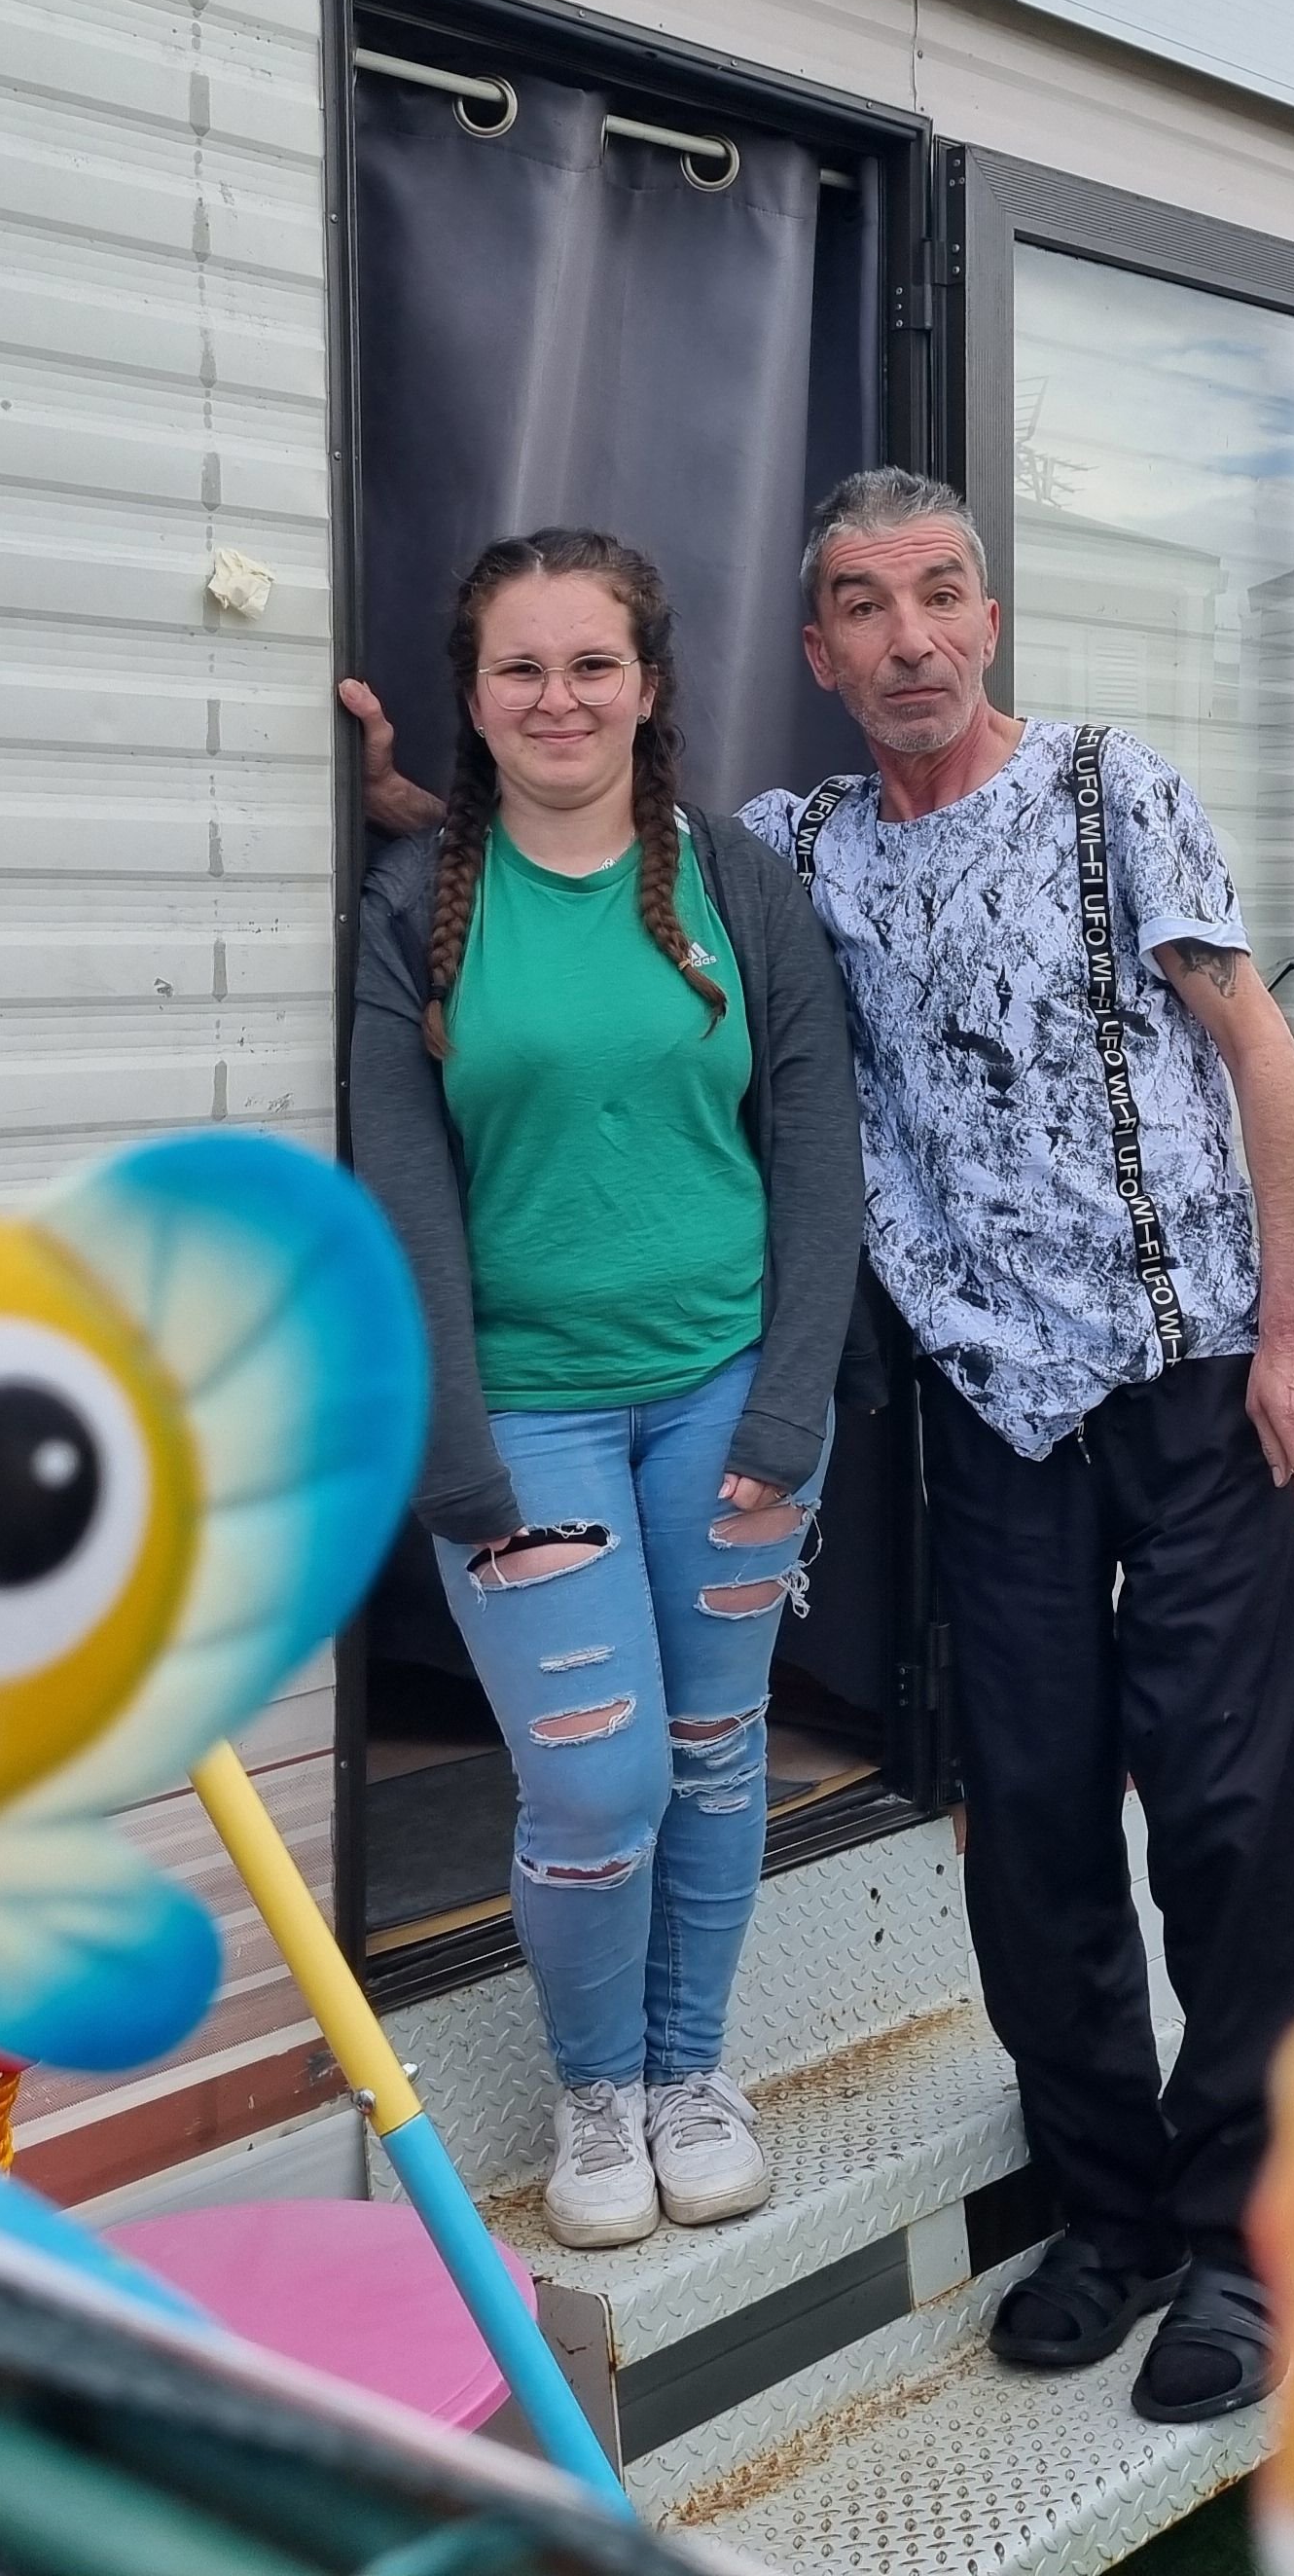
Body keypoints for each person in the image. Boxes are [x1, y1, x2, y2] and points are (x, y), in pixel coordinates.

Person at [345, 470, 1294, 2423]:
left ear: (988, 617)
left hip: (1196, 1367)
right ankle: (1113, 2210)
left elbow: (1256, 1044)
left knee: (1239, 1823)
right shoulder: (787, 852)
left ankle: (1255, 2240)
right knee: (1037, 1820)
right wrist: (413, 822)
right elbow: (564, 864)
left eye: (942, 597)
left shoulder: (1107, 791)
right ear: (813, 654)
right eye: (864, 610)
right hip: (986, 1402)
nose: (910, 640)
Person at [342, 527, 864, 2252]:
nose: (558, 696)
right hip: (526, 1419)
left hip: (725, 1399)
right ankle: (594, 2096)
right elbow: (403, 1194)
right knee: (592, 1787)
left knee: (717, 1760)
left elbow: (814, 1155)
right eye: (520, 668)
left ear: (649, 688)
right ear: (474, 703)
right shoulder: (419, 906)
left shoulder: (740, 883)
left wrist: (792, 1410)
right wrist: (458, 1462)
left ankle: (687, 2077)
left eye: (592, 664)